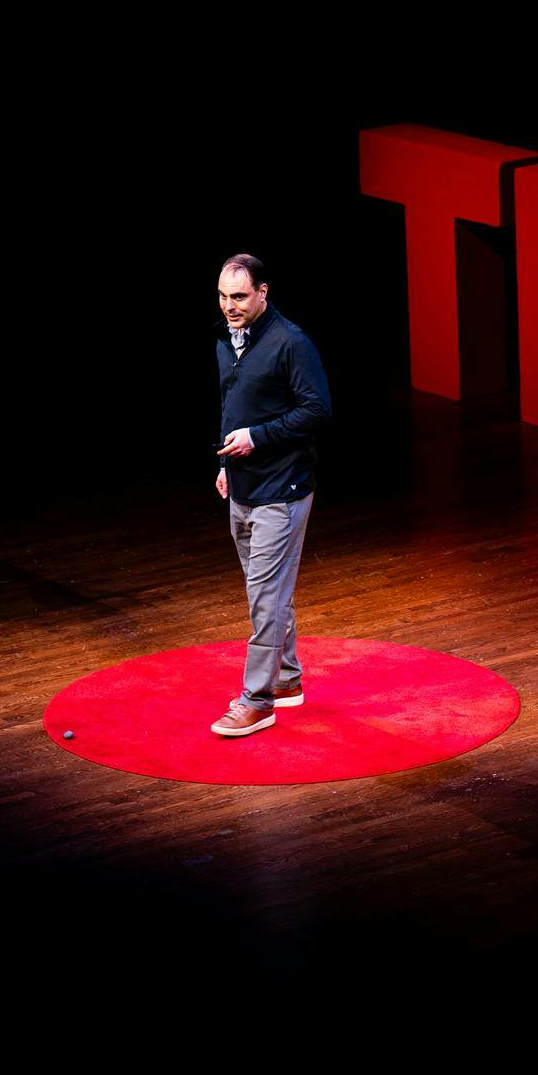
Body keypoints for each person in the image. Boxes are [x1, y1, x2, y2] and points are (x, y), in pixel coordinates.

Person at [210, 254, 333, 737]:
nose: (229, 306)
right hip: (242, 485)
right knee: (267, 592)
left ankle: (257, 701)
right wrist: (225, 462)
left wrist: (256, 438)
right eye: (222, 296)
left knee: (265, 597)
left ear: (263, 292)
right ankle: (285, 679)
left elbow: (317, 409)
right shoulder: (229, 340)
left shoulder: (290, 342)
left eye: (239, 296)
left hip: (282, 489)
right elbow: (232, 406)